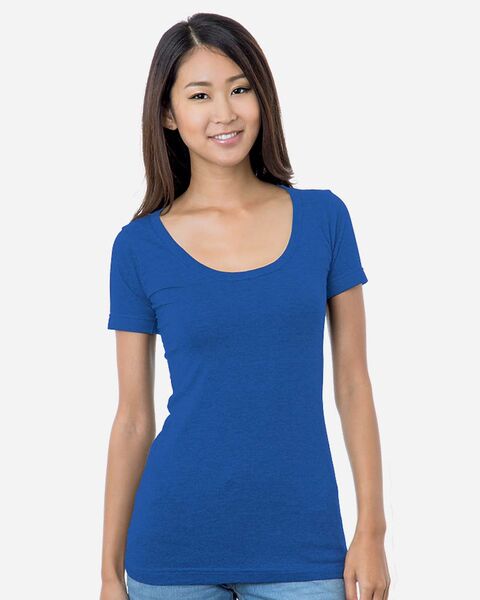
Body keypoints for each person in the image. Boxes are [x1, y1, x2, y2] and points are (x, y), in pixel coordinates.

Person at [100, 12, 390, 600]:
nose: (225, 113)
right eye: (199, 95)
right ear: (168, 114)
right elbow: (132, 417)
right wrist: (108, 574)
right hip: (171, 548)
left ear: (262, 96)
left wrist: (372, 530)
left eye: (239, 89)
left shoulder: (324, 219)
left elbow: (353, 383)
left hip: (304, 546)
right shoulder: (138, 247)